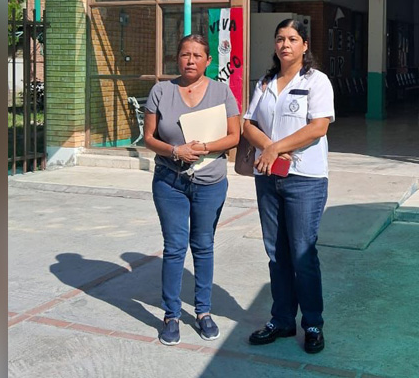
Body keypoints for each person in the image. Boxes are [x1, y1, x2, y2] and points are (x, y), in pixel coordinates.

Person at [242, 18, 335, 354]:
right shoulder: (265, 82)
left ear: (305, 45)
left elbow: (318, 127)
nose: (285, 45)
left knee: (302, 253)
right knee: (276, 253)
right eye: (280, 39)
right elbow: (248, 123)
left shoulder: (316, 81)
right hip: (268, 178)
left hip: (305, 179)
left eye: (293, 39)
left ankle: (312, 323)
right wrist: (268, 147)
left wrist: (274, 147)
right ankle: (281, 320)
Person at [143, 34, 241, 346]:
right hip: (169, 181)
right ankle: (171, 315)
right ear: (177, 58)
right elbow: (148, 137)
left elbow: (235, 135)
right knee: (174, 248)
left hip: (210, 182)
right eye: (185, 54)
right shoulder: (161, 90)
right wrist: (175, 151)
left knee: (203, 245)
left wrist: (204, 147)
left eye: (197, 55)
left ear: (208, 60)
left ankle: (203, 312)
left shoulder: (222, 91)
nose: (190, 60)